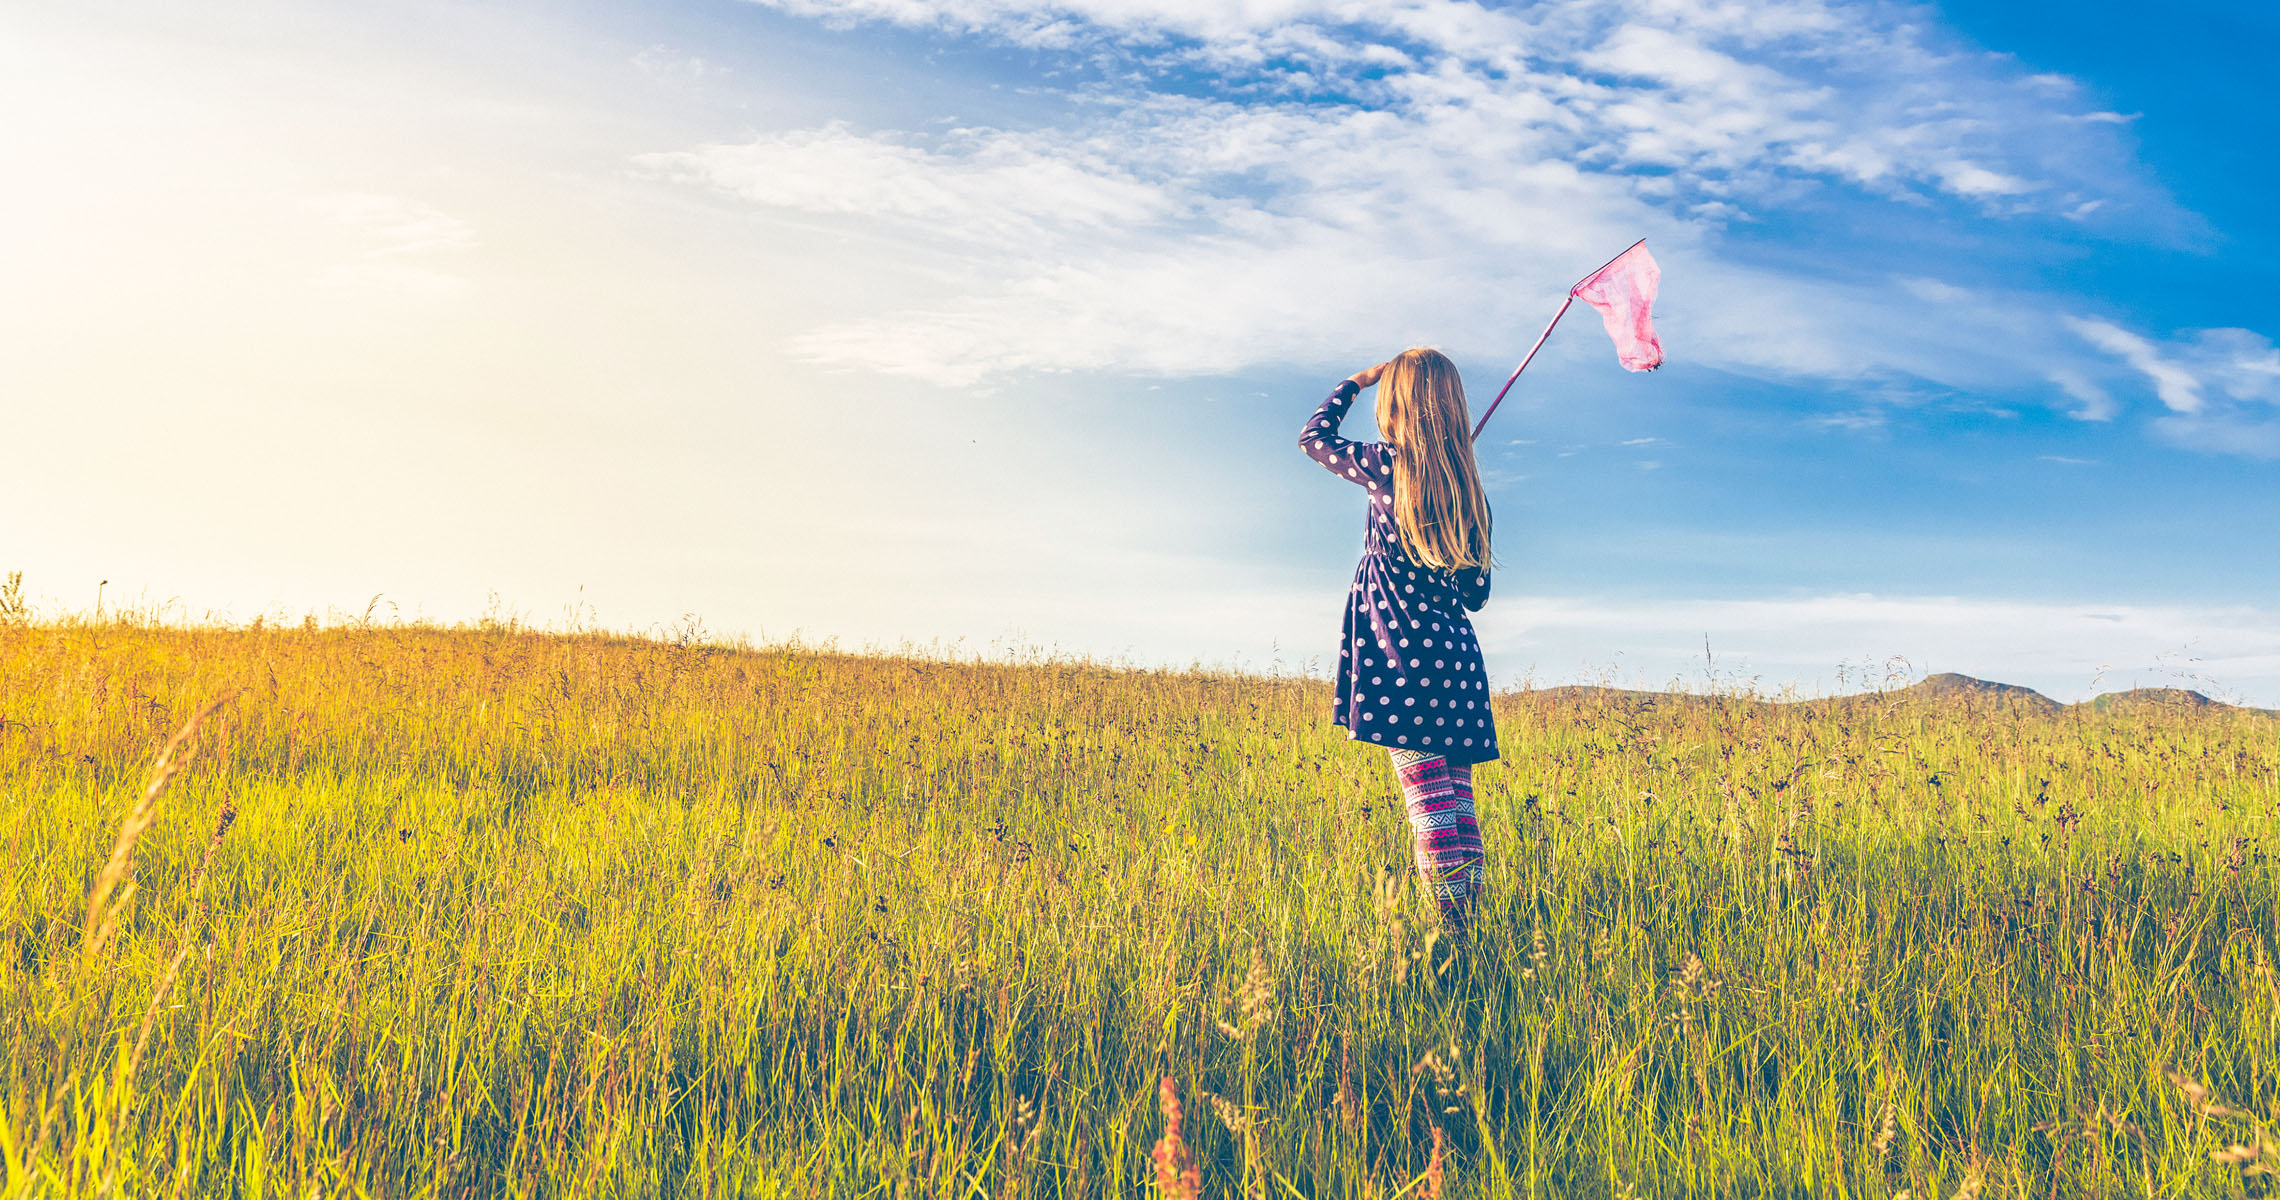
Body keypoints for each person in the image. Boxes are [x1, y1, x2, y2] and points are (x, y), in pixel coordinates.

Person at [1298, 347, 1497, 935]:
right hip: (1455, 661)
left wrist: (1356, 382)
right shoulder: (1470, 494)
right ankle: (1470, 928)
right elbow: (1475, 594)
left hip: (1399, 655)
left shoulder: (1384, 466)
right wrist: (1447, 509)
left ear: (1397, 405)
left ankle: (1455, 937)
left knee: (1429, 803)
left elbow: (1313, 438)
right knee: (1455, 801)